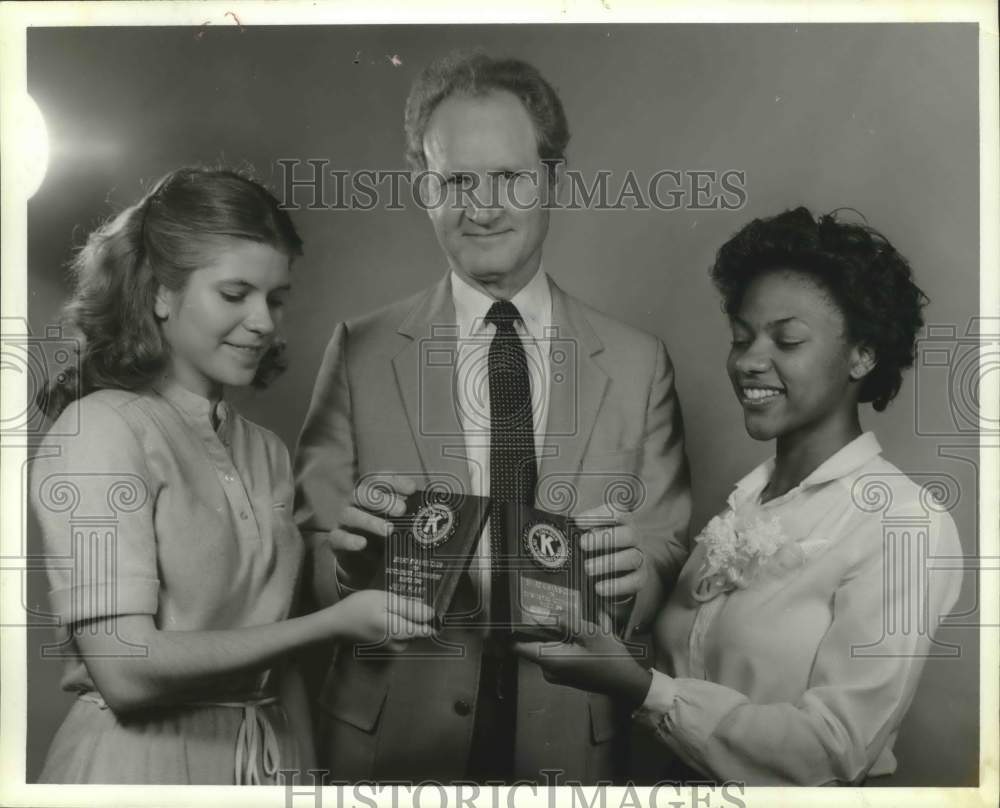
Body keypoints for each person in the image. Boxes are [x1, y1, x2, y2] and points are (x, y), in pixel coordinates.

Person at [294, 51, 692, 783]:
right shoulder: (359, 350)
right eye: (456, 181)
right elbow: (319, 555)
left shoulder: (639, 363)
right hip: (391, 744)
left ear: (552, 179)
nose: (483, 207)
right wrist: (347, 562)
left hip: (569, 736)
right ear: (424, 188)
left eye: (509, 177)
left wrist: (637, 577)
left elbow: (663, 548)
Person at [515, 206, 964, 786]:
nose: (750, 361)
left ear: (863, 354)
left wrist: (641, 688)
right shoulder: (744, 508)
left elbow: (833, 750)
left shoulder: (905, 523)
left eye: (788, 339)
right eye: (741, 338)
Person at [30, 167, 433, 785]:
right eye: (235, 293)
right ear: (159, 293)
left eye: (275, 298)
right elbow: (126, 672)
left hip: (270, 761)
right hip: (139, 772)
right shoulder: (100, 429)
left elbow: (277, 668)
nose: (265, 322)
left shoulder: (265, 450)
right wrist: (329, 626)